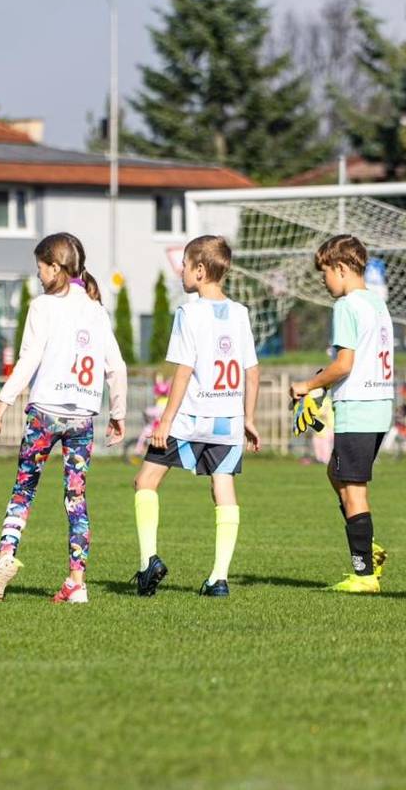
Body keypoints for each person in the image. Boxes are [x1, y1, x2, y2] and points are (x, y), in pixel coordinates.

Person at [0, 233, 127, 604]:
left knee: (24, 488)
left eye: (41, 268)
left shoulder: (43, 306)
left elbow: (29, 357)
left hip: (45, 413)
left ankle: (6, 554)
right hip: (82, 417)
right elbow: (117, 366)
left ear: (56, 267)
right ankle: (77, 582)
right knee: (75, 498)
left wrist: (4, 399)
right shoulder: (97, 310)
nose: (39, 274)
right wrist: (118, 413)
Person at [132, 235, 260, 598]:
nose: (182, 273)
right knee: (224, 489)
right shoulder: (240, 313)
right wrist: (249, 418)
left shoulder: (188, 313)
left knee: (145, 481)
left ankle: (148, 562)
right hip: (228, 419)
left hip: (192, 416)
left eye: (185, 266)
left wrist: (165, 421)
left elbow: (184, 371)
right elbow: (252, 372)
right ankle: (219, 579)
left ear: (200, 271)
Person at [289, 235, 394, 593]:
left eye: (325, 273)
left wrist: (308, 384)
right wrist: (322, 387)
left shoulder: (347, 306)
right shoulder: (377, 303)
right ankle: (367, 546)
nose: (323, 281)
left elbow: (344, 364)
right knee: (336, 472)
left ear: (341, 268)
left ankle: (364, 573)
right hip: (380, 405)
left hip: (358, 407)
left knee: (353, 488)